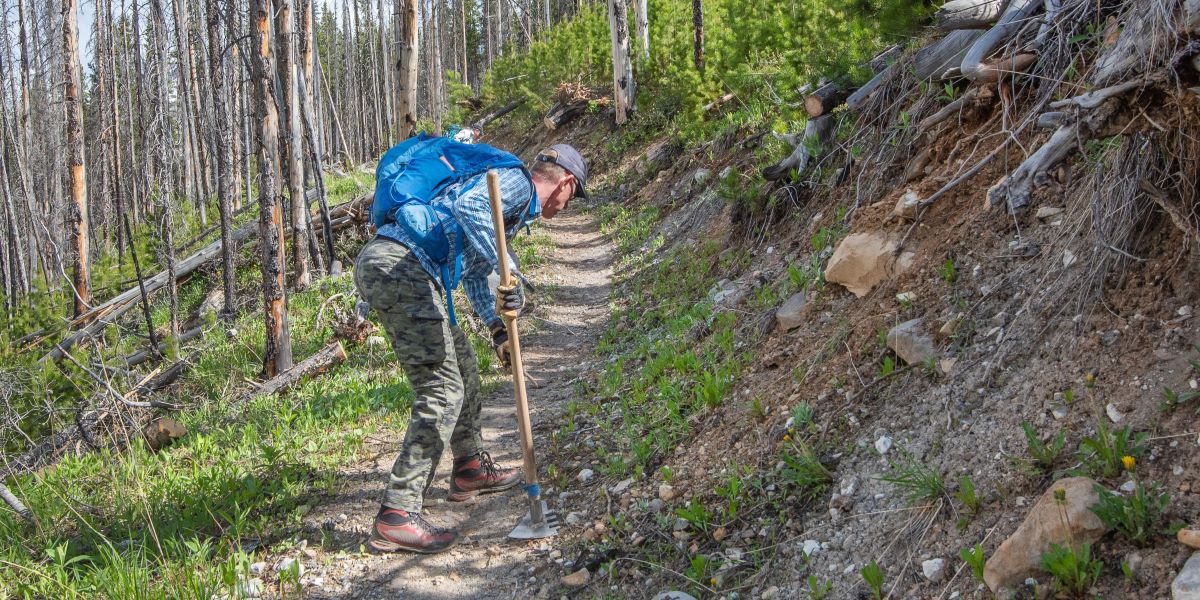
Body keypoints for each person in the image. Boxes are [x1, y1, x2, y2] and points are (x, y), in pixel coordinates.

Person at [354, 141, 588, 554]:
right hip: (400, 268)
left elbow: (477, 275)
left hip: (401, 267)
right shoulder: (517, 184)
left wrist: (498, 327)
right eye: (575, 195)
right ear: (566, 181)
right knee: (442, 391)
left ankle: (469, 466)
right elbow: (470, 209)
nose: (568, 207)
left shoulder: (512, 208)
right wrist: (510, 270)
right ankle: (397, 513)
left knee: (462, 366)